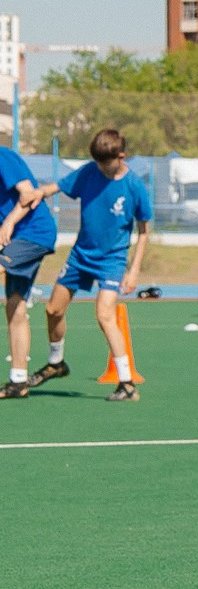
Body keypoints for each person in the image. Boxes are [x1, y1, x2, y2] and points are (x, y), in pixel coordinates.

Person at [28, 128, 150, 402]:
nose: (100, 168)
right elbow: (57, 186)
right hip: (80, 256)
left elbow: (144, 231)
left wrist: (134, 270)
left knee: (105, 315)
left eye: (105, 163)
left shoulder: (134, 186)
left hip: (112, 260)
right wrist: (37, 193)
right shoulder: (89, 172)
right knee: (53, 309)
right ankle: (56, 363)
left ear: (121, 156)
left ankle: (127, 383)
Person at [0, 143, 58, 397]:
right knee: (15, 305)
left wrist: (9, 223)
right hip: (16, 240)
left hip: (33, 234)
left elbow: (28, 194)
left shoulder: (3, 157)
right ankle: (18, 381)